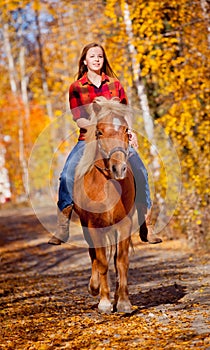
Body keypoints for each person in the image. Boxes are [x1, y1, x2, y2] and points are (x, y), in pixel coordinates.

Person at [48, 42, 162, 245]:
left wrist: (129, 131)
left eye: (100, 56)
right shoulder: (76, 87)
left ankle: (146, 225)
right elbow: (78, 118)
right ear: (85, 60)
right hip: (89, 138)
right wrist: (98, 128)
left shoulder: (115, 84)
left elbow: (125, 113)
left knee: (141, 172)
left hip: (117, 139)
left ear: (103, 59)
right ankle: (63, 225)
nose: (96, 59)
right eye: (92, 56)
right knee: (67, 174)